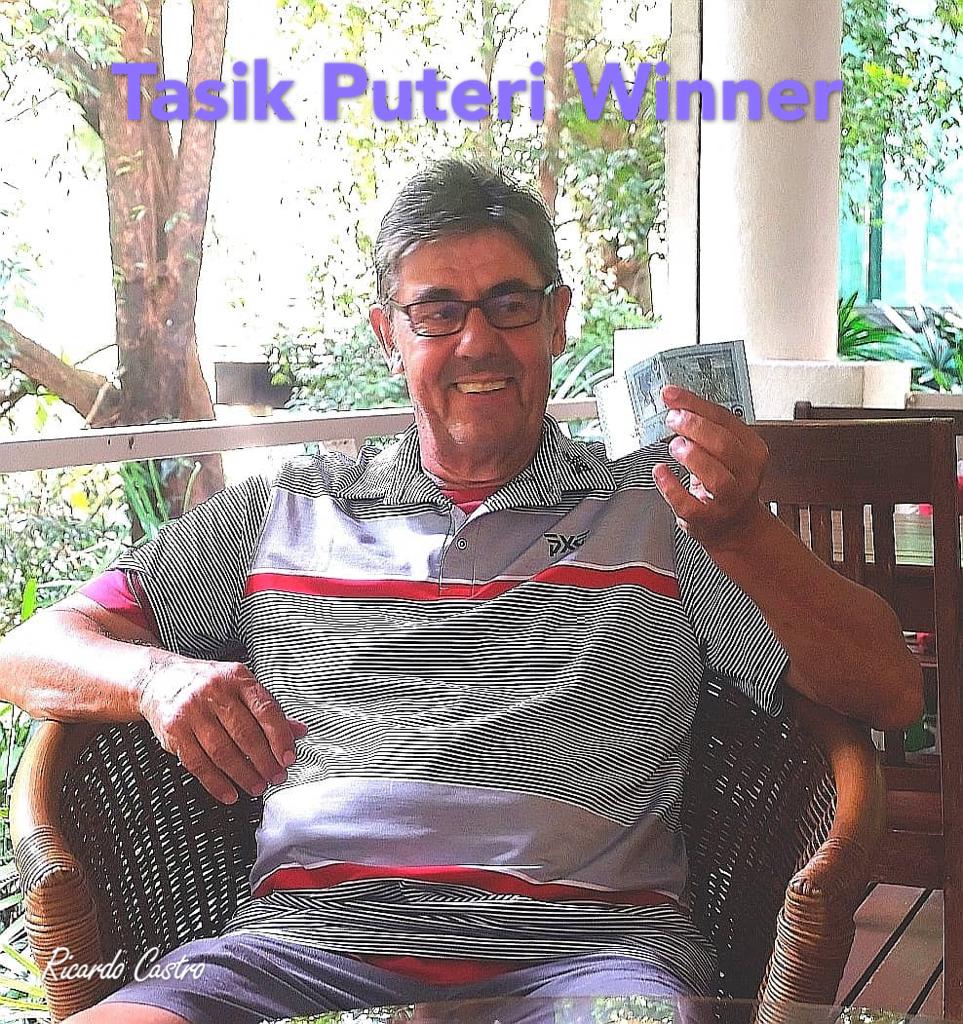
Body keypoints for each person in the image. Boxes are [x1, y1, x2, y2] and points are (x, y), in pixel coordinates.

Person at [0, 159, 920, 1024]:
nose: (477, 340)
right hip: (297, 947)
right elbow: (31, 649)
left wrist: (743, 532)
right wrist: (155, 678)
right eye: (436, 311)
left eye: (509, 304)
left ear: (557, 320)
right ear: (388, 334)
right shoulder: (279, 512)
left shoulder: (668, 515)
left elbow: (887, 691)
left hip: (592, 955)